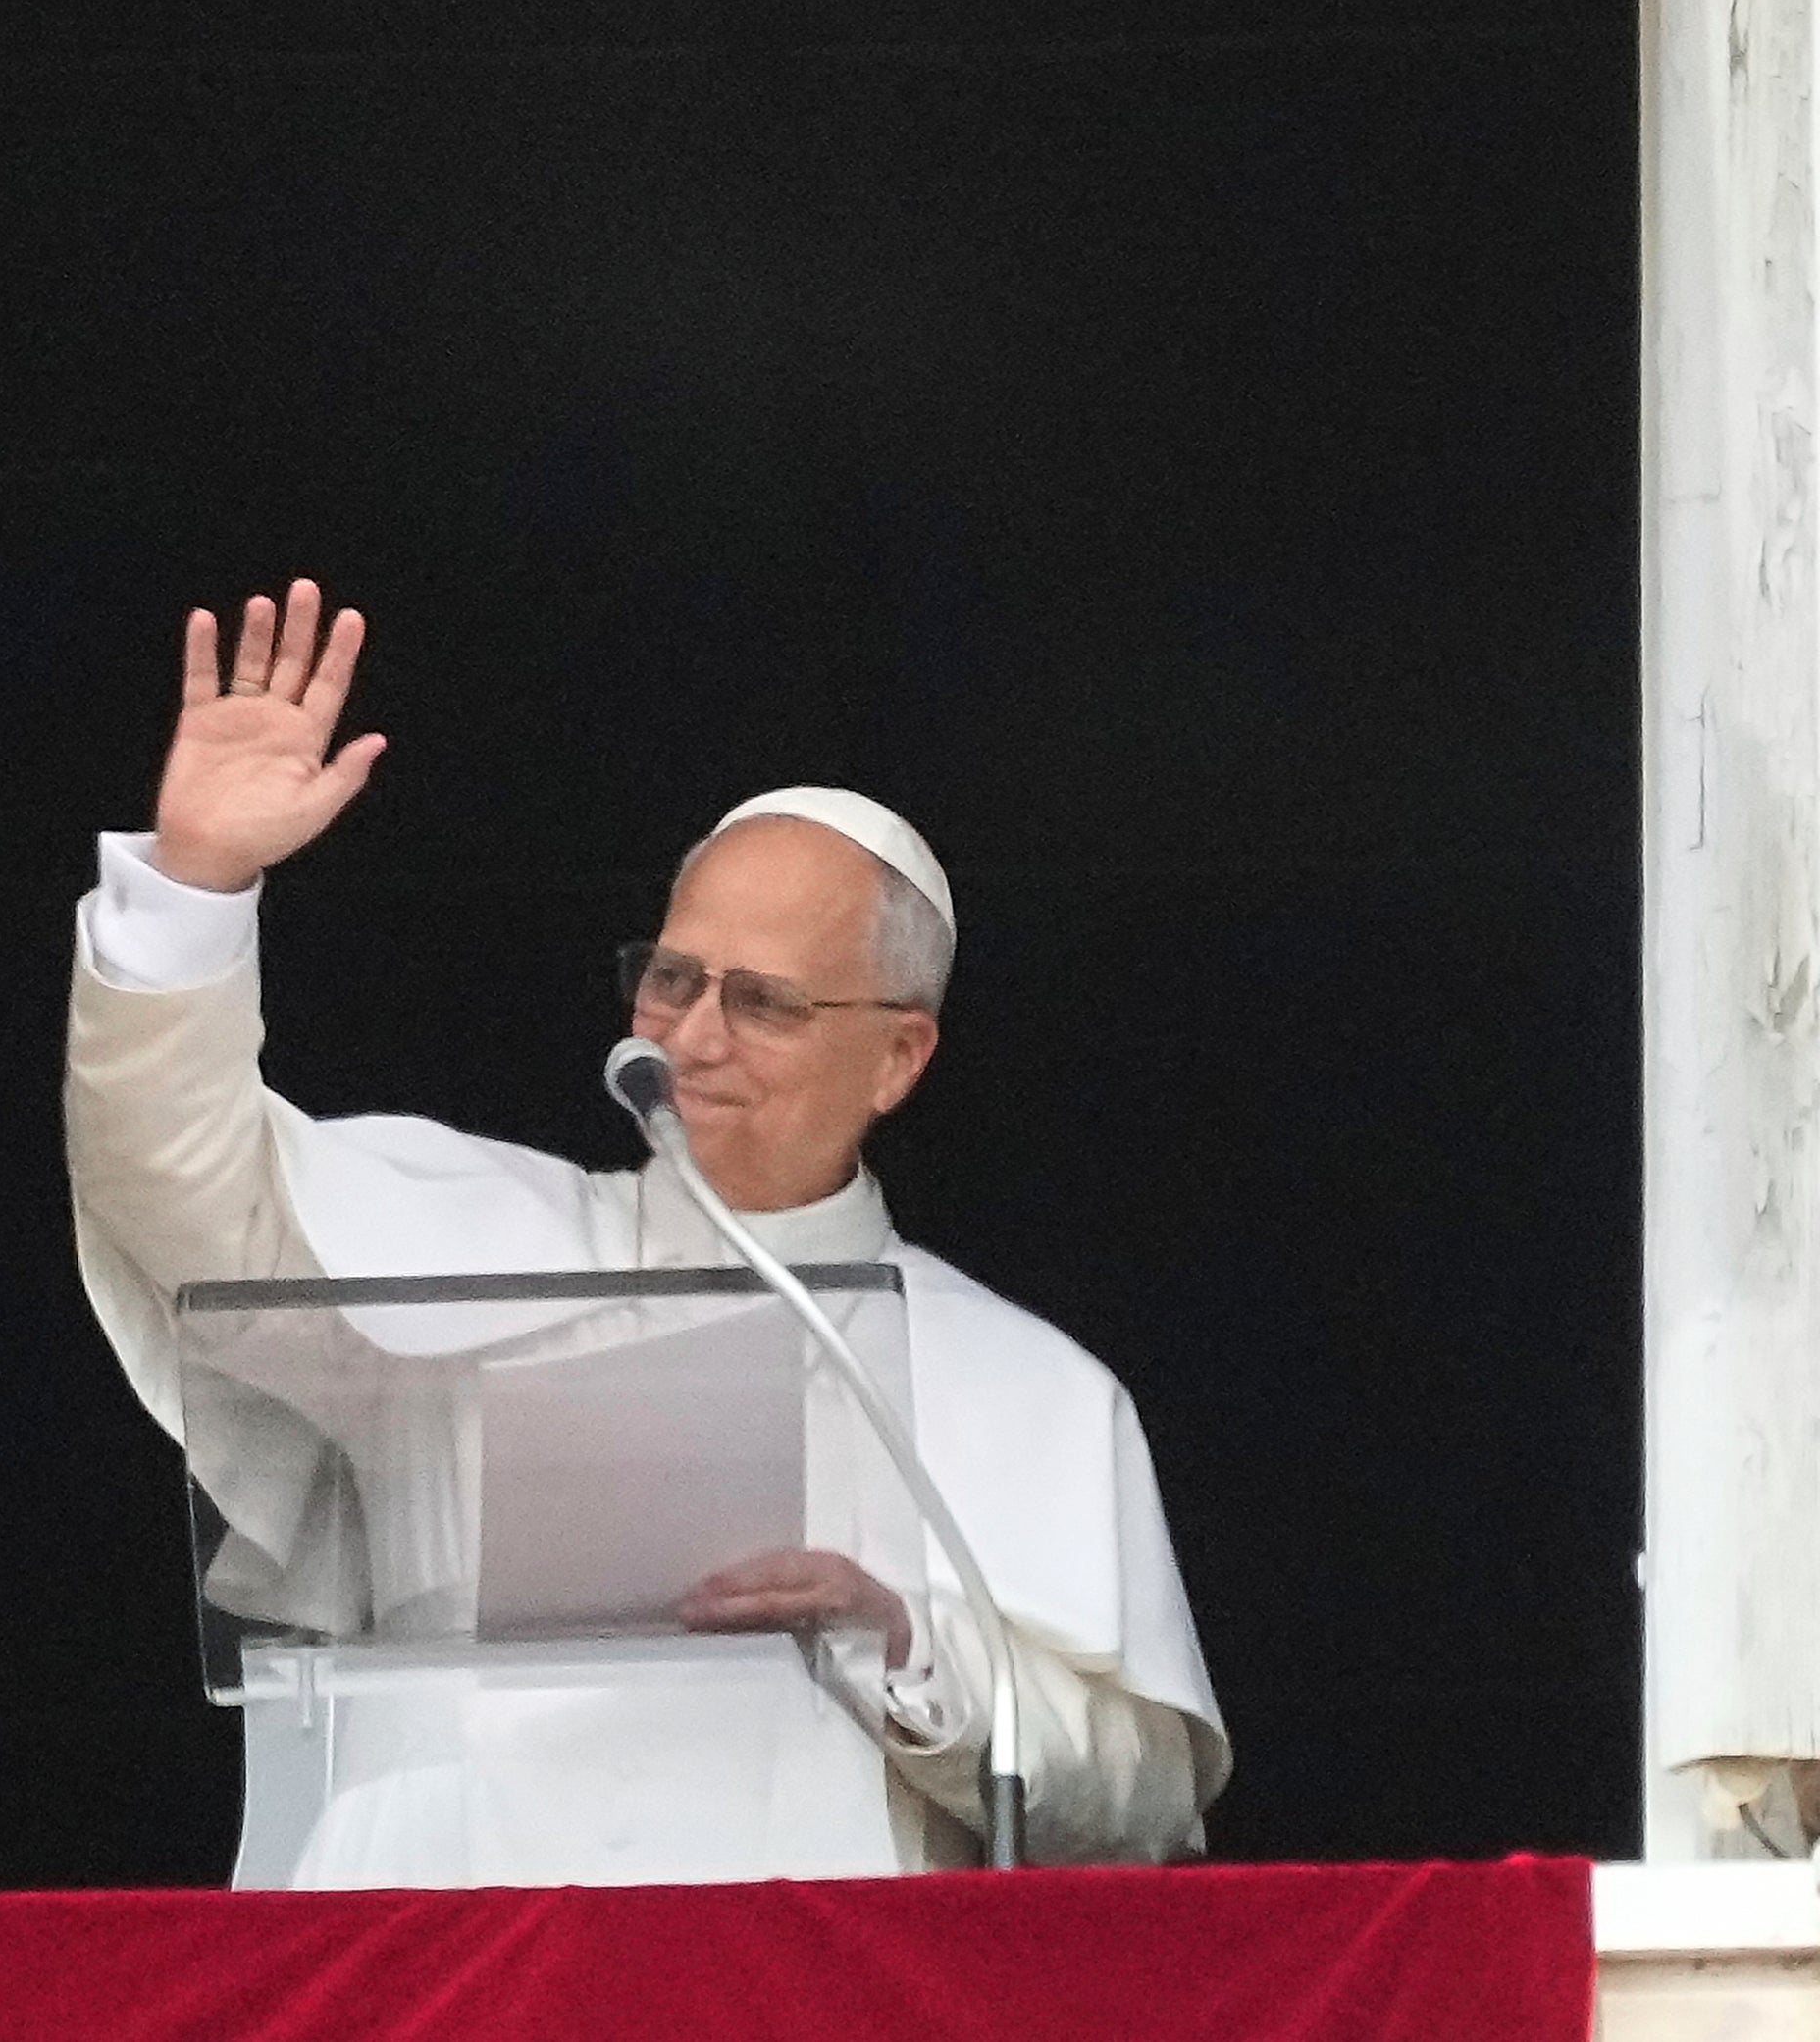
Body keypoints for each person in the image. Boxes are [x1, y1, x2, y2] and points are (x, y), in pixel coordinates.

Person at [67, 579, 1228, 1885]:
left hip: (804, 1982)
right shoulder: (464, 1236)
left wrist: (908, 1645)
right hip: (451, 1954)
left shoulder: (1028, 1385)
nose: (694, 1034)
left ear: (898, 1055)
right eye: (673, 978)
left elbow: (1140, 1791)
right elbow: (172, 1186)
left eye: (767, 1001)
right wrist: (194, 890)